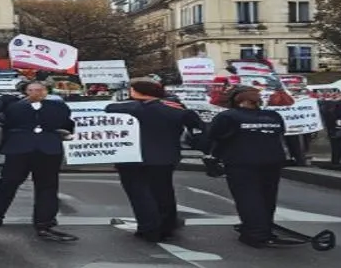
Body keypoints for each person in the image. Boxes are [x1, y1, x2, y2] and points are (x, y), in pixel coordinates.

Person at [105, 79, 204, 242]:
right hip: (165, 156)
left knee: (139, 193)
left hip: (131, 157)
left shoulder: (123, 108)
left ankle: (148, 227)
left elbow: (106, 111)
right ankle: (167, 225)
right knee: (164, 192)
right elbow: (197, 128)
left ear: (136, 92)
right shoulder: (175, 109)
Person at [205, 86, 304, 248]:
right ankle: (265, 226)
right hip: (272, 161)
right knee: (267, 197)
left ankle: (255, 233)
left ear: (237, 100)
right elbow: (282, 135)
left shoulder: (228, 116)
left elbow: (215, 137)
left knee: (247, 198)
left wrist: (213, 157)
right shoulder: (273, 116)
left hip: (242, 162)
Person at [0, 81, 77, 242]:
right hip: (24, 148)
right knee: (9, 181)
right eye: (31, 90)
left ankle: (44, 223)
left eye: (39, 90)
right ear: (26, 92)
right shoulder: (13, 106)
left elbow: (66, 124)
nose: (35, 92)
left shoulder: (57, 107)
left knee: (46, 186)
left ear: (46, 91)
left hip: (42, 148)